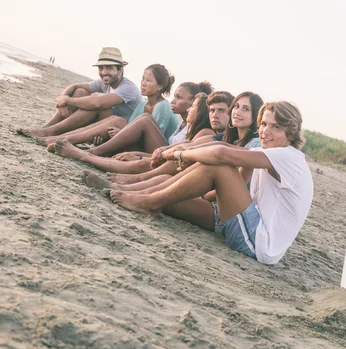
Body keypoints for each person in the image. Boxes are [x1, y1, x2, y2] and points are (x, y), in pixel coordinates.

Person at [109, 101, 314, 264]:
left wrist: (176, 153)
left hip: (259, 244)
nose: (265, 132)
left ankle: (147, 203)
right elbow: (233, 172)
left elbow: (221, 153)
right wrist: (194, 182)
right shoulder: (271, 153)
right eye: (263, 124)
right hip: (243, 222)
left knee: (220, 165)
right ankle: (133, 191)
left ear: (291, 132)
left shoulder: (288, 157)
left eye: (276, 127)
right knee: (171, 190)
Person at [50, 90, 216, 174]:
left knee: (144, 120)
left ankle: (89, 153)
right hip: (161, 155)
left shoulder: (201, 131)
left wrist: (137, 155)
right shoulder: (185, 126)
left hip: (163, 159)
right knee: (121, 122)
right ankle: (66, 140)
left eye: (192, 105)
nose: (175, 101)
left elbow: (175, 157)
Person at [41, 64, 181, 148]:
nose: (143, 83)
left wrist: (120, 132)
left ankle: (63, 139)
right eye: (142, 79)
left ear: (160, 86)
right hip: (135, 142)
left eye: (148, 80)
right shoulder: (143, 105)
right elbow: (129, 128)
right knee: (115, 120)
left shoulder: (162, 106)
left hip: (153, 150)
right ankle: (62, 137)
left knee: (116, 120)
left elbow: (153, 136)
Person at [19, 47, 142, 137]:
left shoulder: (128, 88)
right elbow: (75, 86)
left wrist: (68, 100)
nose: (104, 72)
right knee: (80, 91)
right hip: (103, 125)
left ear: (120, 70)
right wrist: (63, 98)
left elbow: (98, 104)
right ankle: (46, 128)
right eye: (101, 68)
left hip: (119, 132)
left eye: (109, 68)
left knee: (97, 106)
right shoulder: (105, 82)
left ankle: (51, 132)